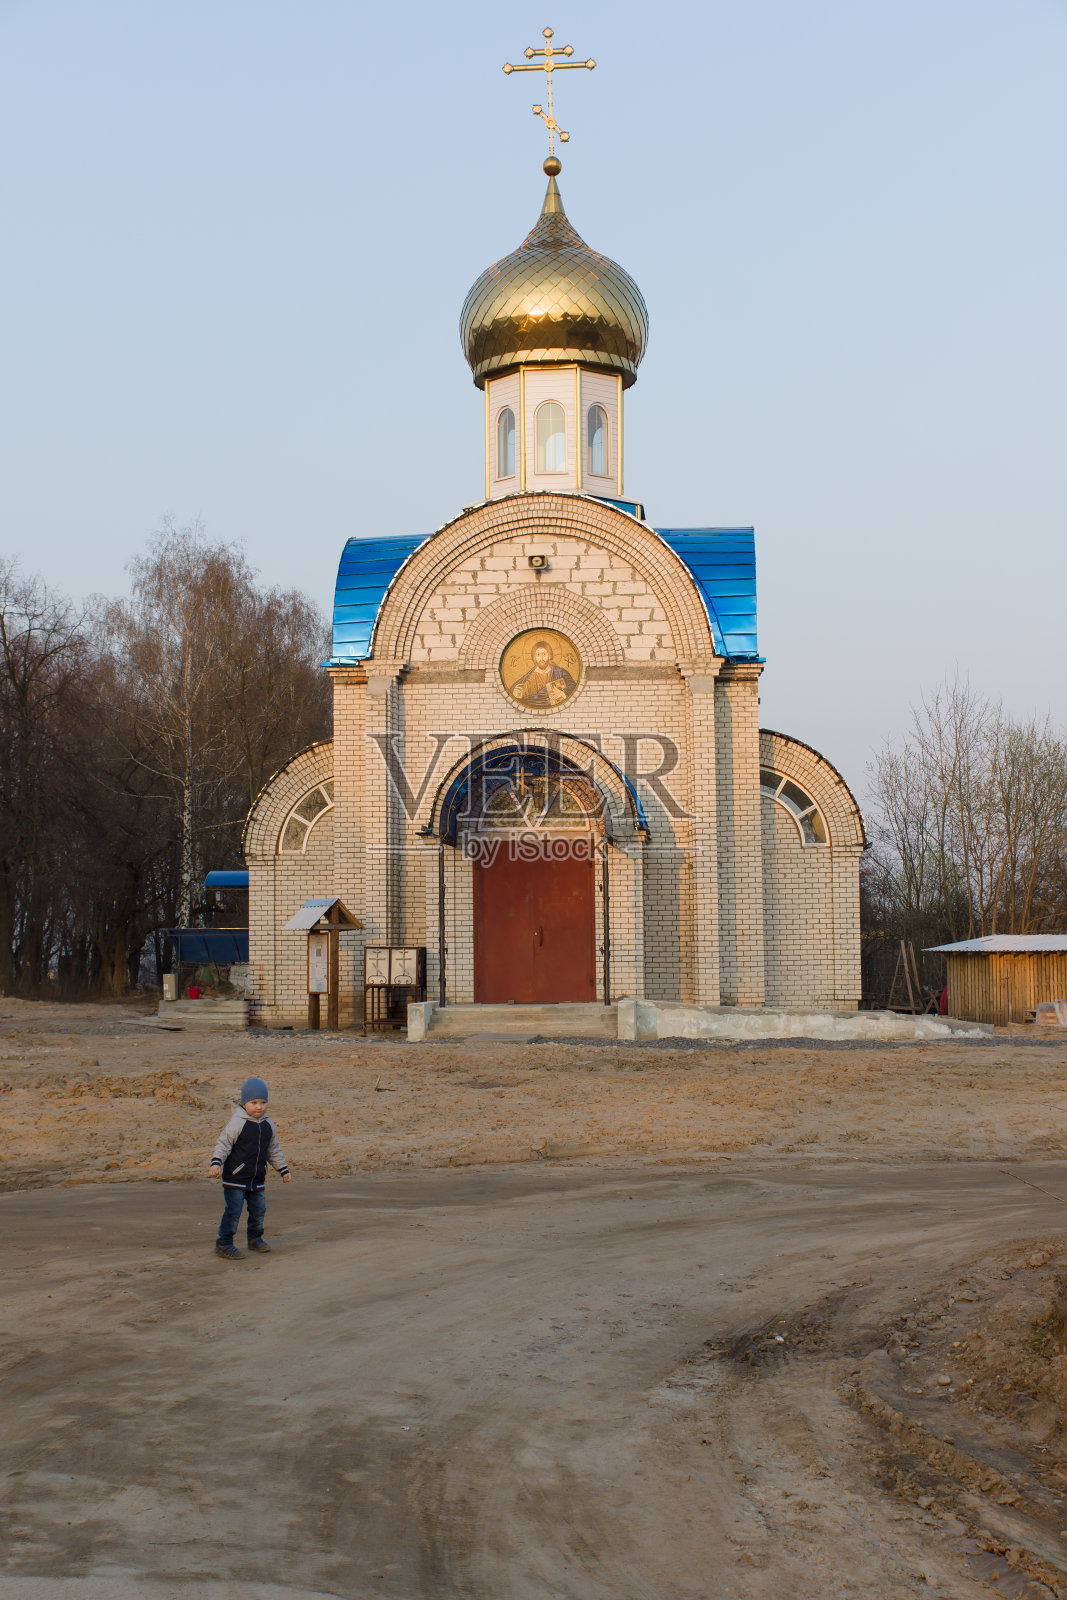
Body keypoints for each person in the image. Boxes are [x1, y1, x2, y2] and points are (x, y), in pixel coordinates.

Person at [208, 1076, 291, 1260]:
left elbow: (273, 1150)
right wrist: (216, 1163)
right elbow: (223, 1144)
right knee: (234, 1211)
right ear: (244, 1103)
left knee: (258, 1210)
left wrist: (283, 1170)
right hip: (235, 1178)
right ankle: (224, 1243)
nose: (259, 1107)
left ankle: (255, 1239)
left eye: (263, 1102)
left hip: (257, 1179)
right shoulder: (237, 1123)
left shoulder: (268, 1125)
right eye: (254, 1102)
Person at [508, 640, 577, 708]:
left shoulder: (560, 672)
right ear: (534, 658)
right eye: (538, 655)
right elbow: (516, 695)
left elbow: (573, 686)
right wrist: (516, 695)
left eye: (544, 654)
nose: (541, 659)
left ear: (549, 655)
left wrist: (563, 693)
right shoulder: (528, 678)